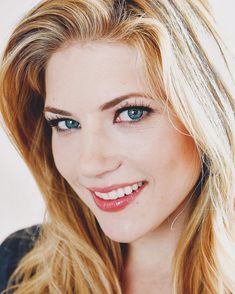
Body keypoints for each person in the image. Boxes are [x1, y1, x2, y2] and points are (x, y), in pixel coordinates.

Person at [0, 0, 234, 293]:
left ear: (205, 114)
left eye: (130, 113)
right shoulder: (18, 268)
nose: (90, 165)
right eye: (66, 124)